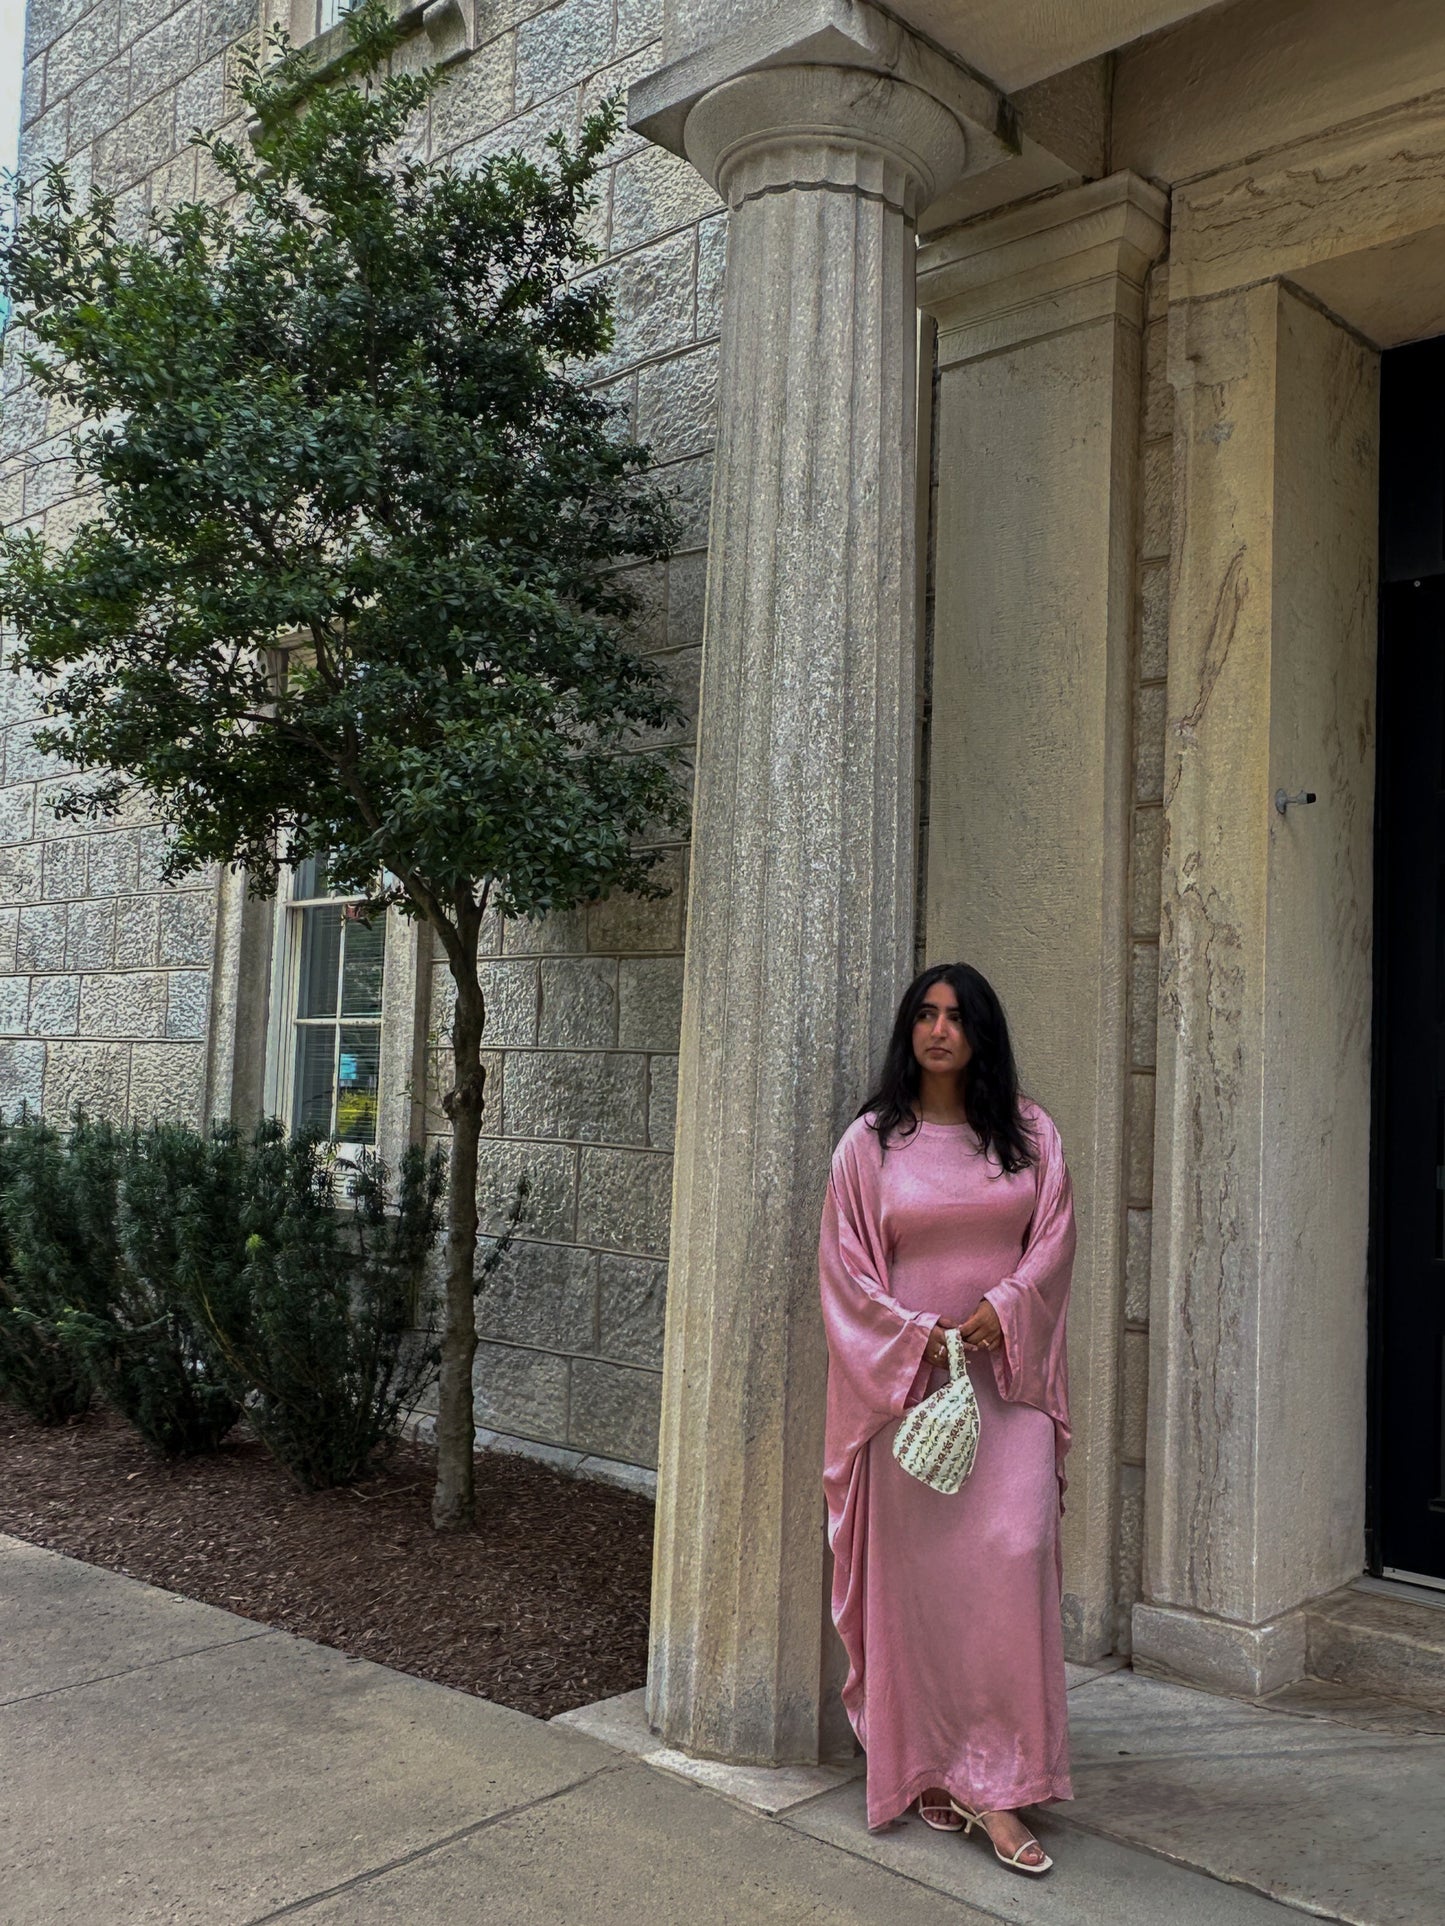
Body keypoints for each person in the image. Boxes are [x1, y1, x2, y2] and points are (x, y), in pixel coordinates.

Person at [818, 961, 1076, 1875]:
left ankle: (1001, 1785)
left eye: (957, 1017)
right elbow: (846, 1276)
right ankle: (936, 1769)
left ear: (980, 1034)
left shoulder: (1030, 1135)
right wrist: (916, 1336)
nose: (939, 1031)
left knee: (1010, 1567)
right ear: (909, 1029)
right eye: (925, 1015)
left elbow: (1051, 1249)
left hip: (1007, 1397)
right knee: (921, 1593)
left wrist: (999, 1311)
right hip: (909, 1401)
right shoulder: (869, 1145)